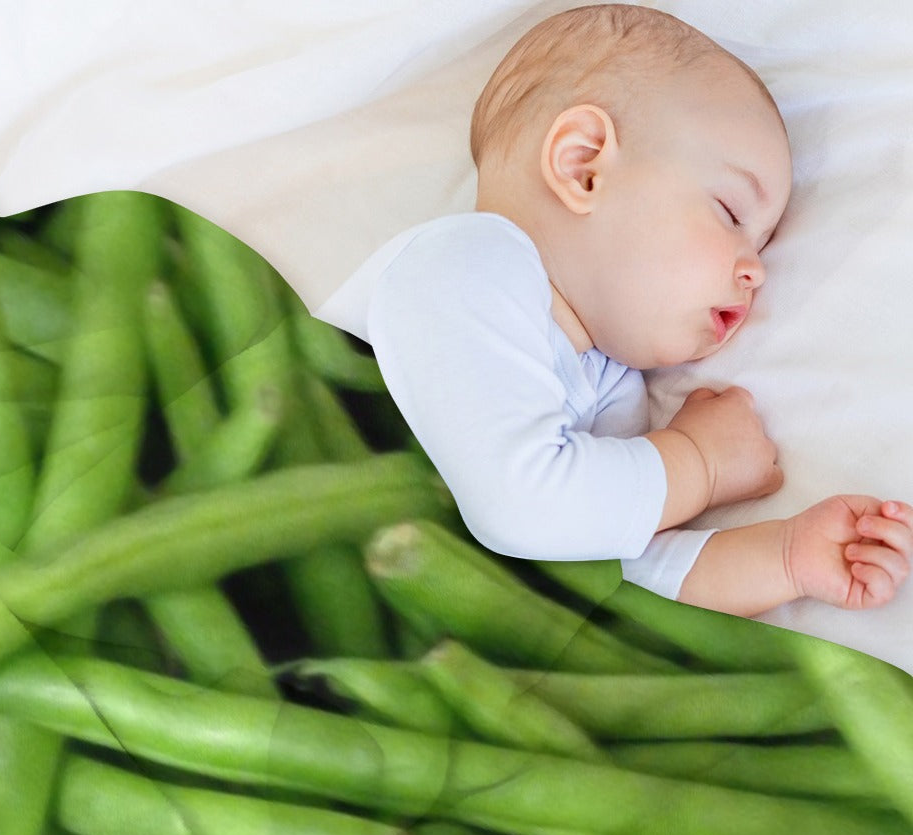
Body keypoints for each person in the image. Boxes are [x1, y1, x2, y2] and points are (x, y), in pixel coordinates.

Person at [320, 3, 912, 617]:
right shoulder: (461, 263)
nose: (755, 270)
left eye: (761, 245)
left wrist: (787, 558)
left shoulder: (603, 378)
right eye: (731, 213)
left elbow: (617, 562)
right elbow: (523, 506)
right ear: (583, 167)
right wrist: (698, 462)